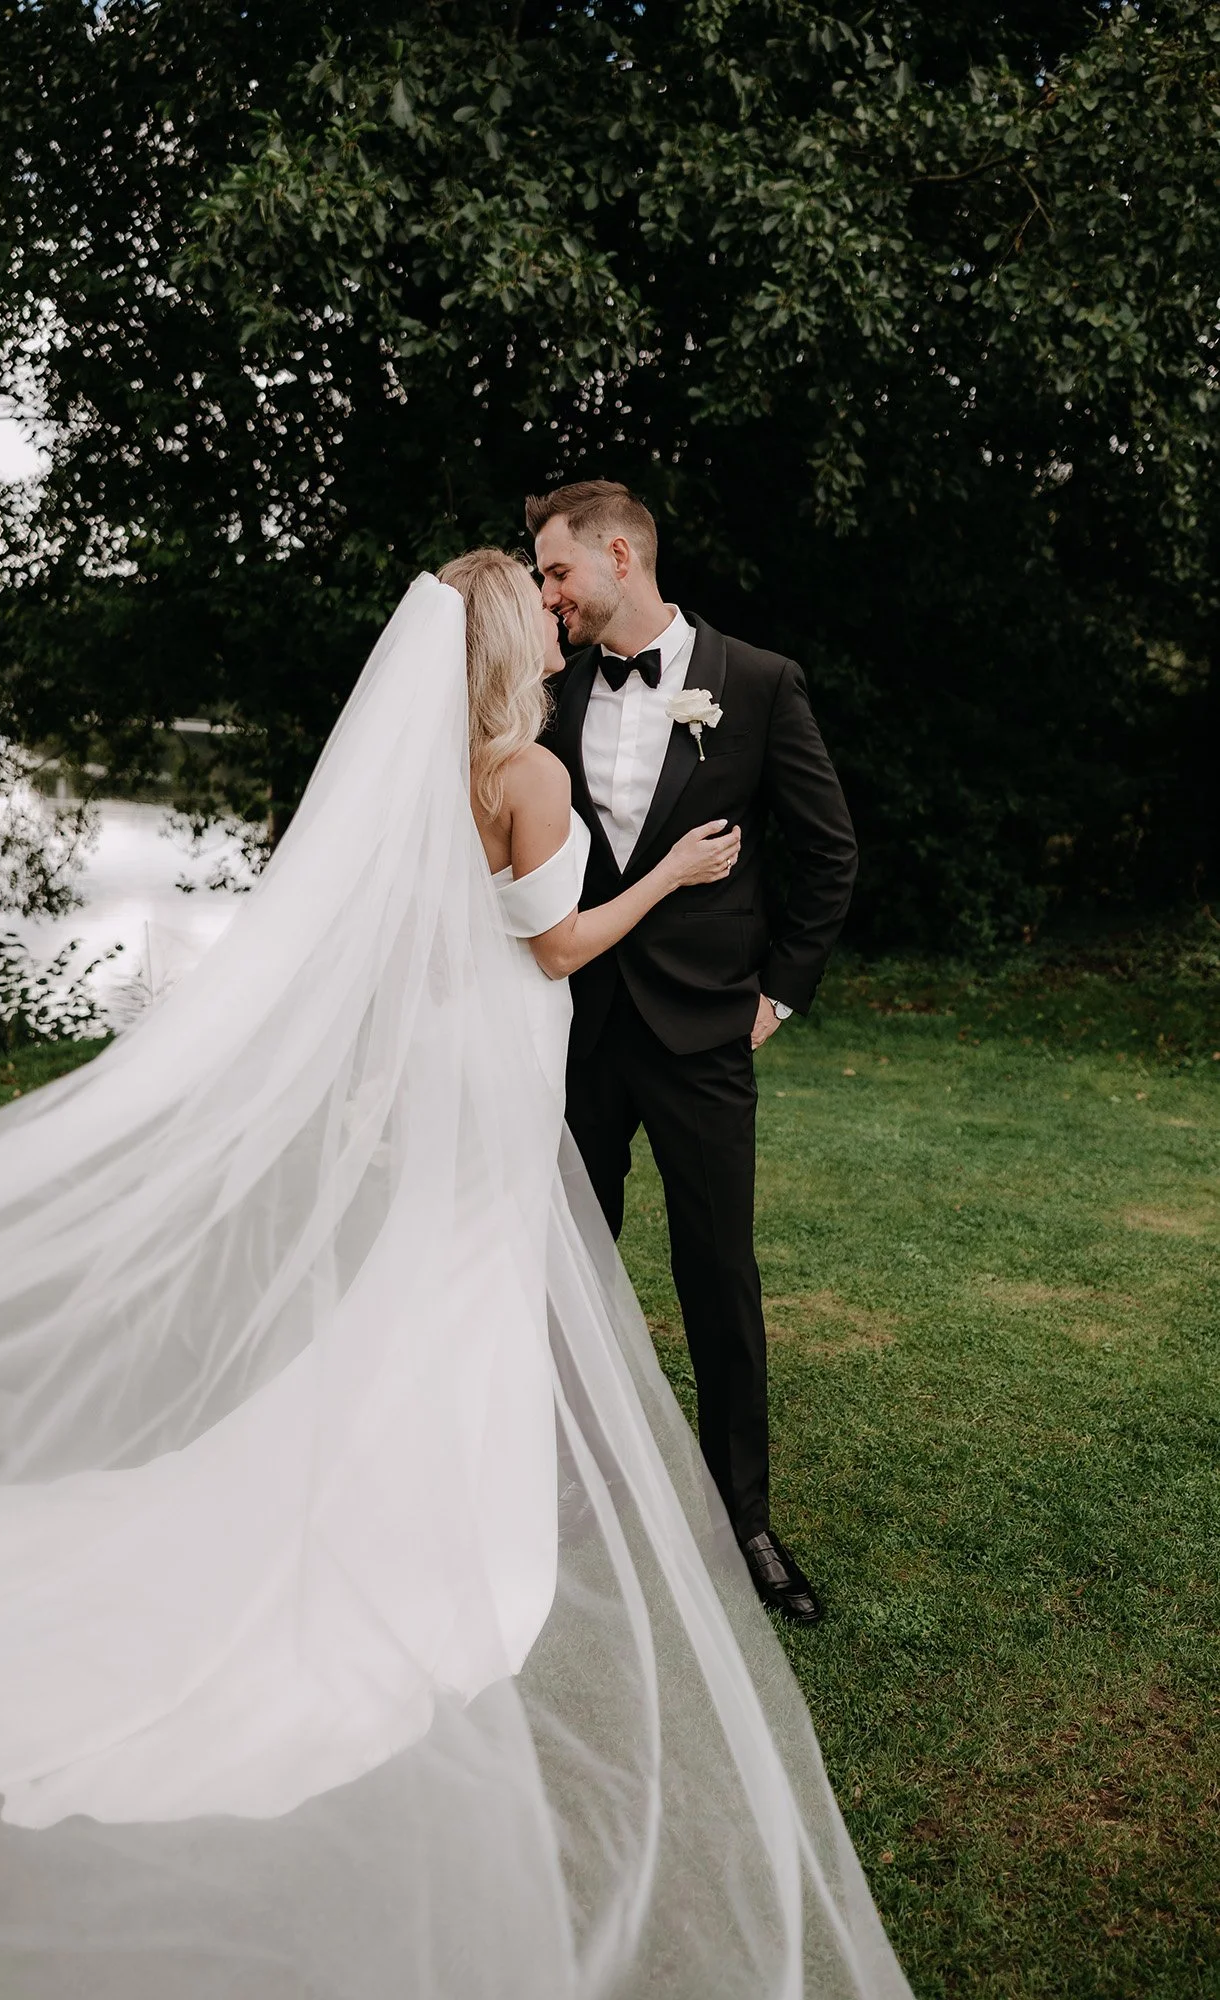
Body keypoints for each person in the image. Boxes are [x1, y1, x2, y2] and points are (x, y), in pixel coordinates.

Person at [0, 557, 909, 1998]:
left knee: (441, 1273)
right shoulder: (528, 772)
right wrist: (672, 875)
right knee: (469, 1274)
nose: (557, 626)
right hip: (502, 1052)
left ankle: (440, 1488)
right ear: (504, 641)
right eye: (538, 615)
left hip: (451, 1053)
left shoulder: (442, 767)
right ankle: (445, 1529)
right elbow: (552, 947)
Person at [530, 481, 858, 1627]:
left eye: (557, 570)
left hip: (705, 1029)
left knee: (717, 1273)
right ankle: (563, 1492)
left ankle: (742, 1519)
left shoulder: (756, 681)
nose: (547, 593)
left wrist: (780, 991)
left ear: (619, 555)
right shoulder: (550, 690)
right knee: (569, 1266)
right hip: (575, 1025)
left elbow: (827, 849)